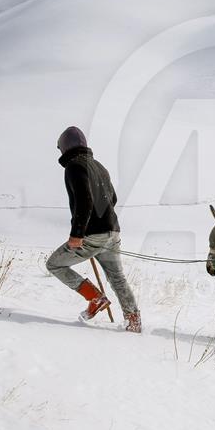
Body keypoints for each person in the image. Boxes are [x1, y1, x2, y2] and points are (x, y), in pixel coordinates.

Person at [46, 125, 141, 333]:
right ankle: (133, 320)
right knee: (117, 278)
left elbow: (84, 201)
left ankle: (95, 298)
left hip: (92, 235)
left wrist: (77, 234)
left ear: (64, 147)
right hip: (113, 232)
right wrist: (104, 221)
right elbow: (112, 199)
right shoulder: (99, 166)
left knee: (54, 265)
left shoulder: (74, 166)